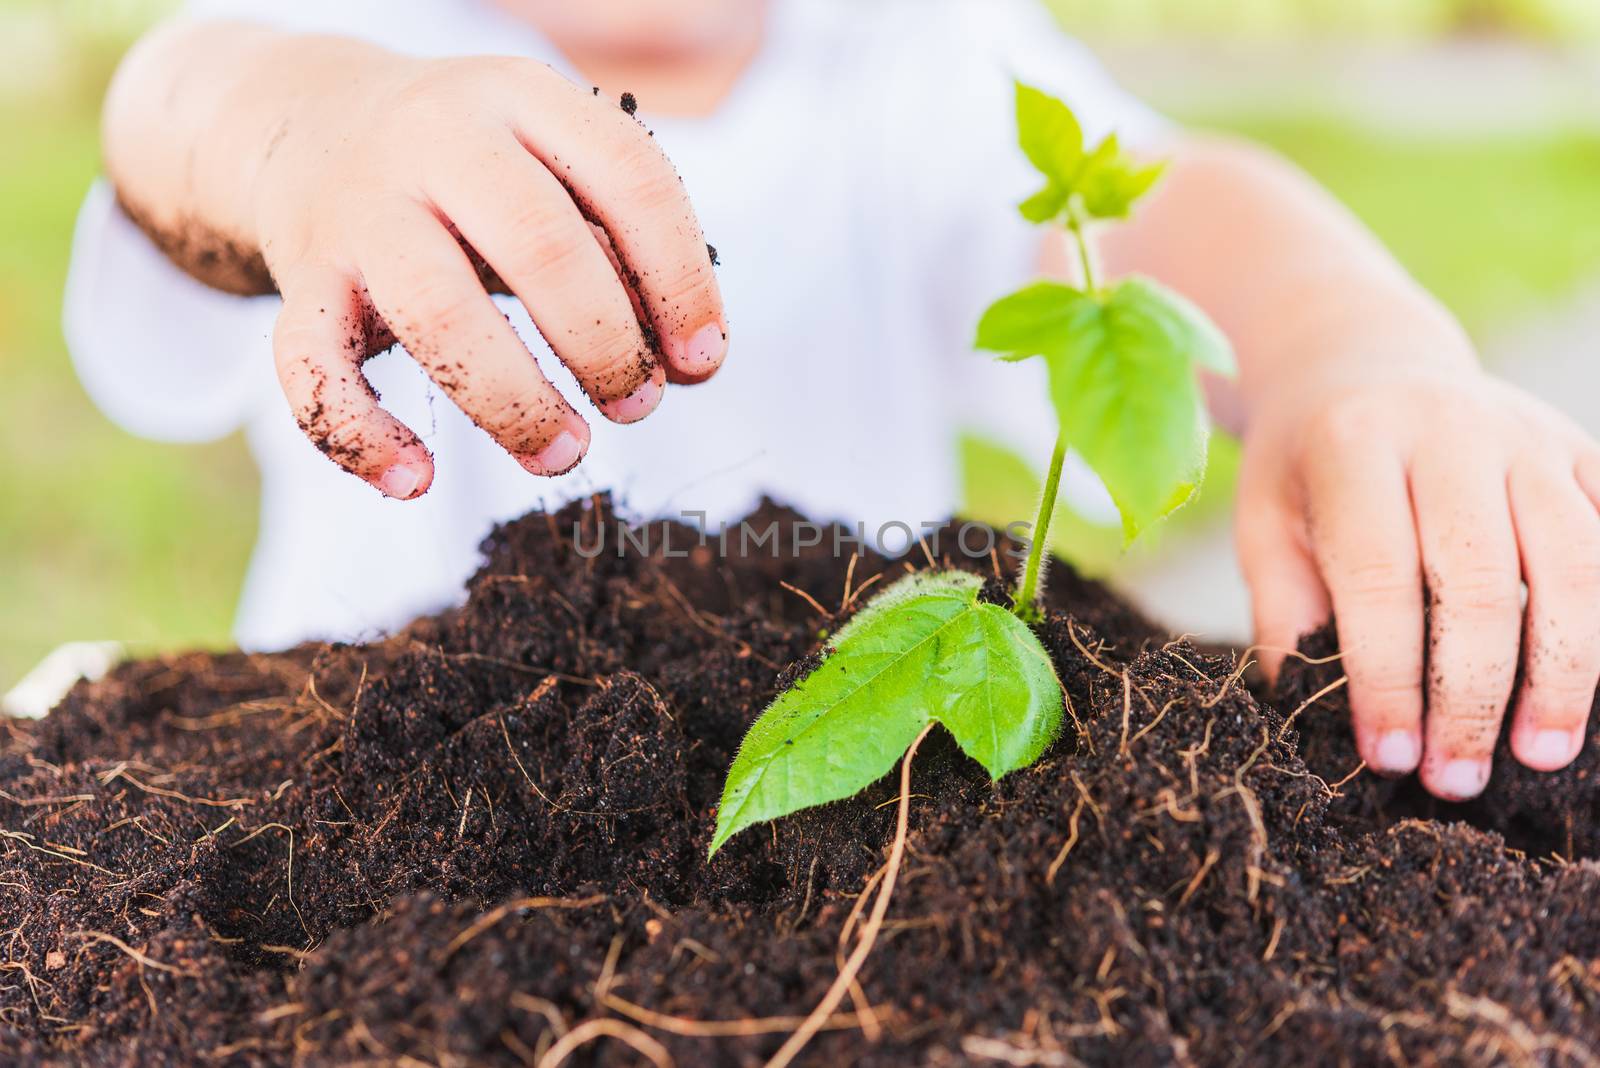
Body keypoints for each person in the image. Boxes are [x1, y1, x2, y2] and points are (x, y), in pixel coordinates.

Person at [66, 0, 1600, 803]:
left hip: (869, 767)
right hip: (376, 770)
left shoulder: (906, 55)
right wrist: (311, 140)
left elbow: (1164, 208)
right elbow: (185, 99)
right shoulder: (359, 40)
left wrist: (1357, 352)